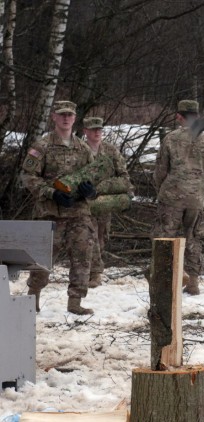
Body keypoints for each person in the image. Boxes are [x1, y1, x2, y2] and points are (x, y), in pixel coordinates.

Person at [21, 100, 98, 315]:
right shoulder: (42, 146)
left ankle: (75, 302)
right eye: (62, 114)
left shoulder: (83, 148)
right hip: (50, 213)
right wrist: (51, 192)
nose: (66, 118)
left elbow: (93, 176)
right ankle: (32, 297)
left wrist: (89, 191)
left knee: (83, 256)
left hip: (78, 213)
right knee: (42, 259)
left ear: (75, 119)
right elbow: (28, 176)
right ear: (54, 117)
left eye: (70, 115)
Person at [152, 100, 204, 295]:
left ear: (179, 116)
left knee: (165, 238)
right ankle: (193, 282)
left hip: (172, 196)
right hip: (196, 198)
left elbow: (161, 171)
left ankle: (164, 281)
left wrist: (162, 190)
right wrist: (200, 192)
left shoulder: (171, 139)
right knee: (193, 238)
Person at [82, 116, 134, 288]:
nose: (97, 132)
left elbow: (124, 179)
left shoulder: (111, 151)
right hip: (82, 202)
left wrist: (102, 188)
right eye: (93, 129)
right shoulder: (78, 151)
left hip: (104, 202)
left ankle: (93, 271)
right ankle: (92, 273)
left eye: (99, 129)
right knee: (87, 237)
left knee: (100, 237)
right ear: (85, 131)